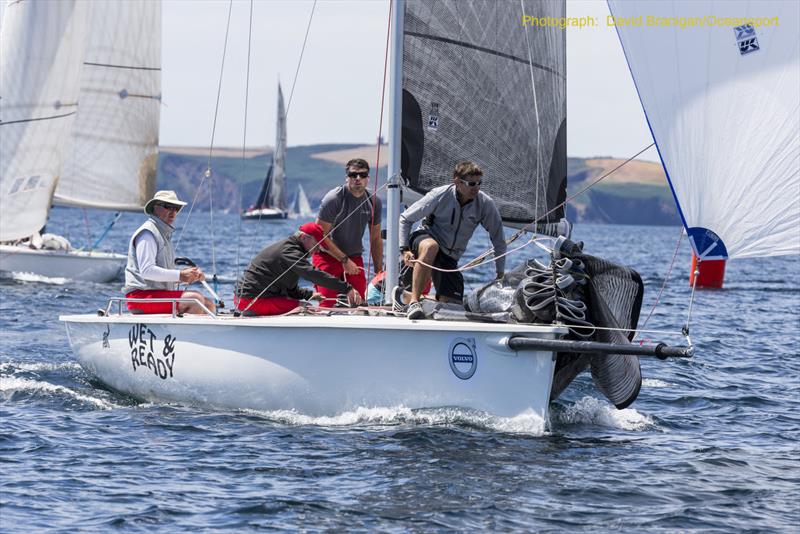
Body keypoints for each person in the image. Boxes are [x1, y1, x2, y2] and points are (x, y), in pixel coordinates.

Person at [395, 161, 507, 319]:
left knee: (452, 306)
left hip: (449, 256)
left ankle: (403, 297)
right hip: (425, 239)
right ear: (457, 182)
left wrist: (500, 273)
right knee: (431, 247)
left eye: (479, 183)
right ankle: (413, 302)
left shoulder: (485, 204)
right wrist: (404, 249)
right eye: (471, 183)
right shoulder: (440, 195)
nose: (476, 188)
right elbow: (405, 219)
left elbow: (498, 239)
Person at [235, 222, 363, 316]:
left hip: (250, 298)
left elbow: (288, 288)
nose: (318, 249)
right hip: (251, 301)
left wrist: (309, 295)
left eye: (321, 246)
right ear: (303, 237)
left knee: (302, 304)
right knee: (305, 308)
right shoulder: (290, 252)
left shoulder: (291, 249)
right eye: (316, 244)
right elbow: (311, 273)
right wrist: (347, 288)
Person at [123, 190, 215, 315]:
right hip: (140, 298)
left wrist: (189, 276)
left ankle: (201, 334)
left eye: (176, 208)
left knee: (208, 304)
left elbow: (161, 277)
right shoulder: (147, 233)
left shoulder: (162, 234)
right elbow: (146, 271)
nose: (173, 212)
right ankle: (186, 334)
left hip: (154, 296)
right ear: (155, 208)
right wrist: (180, 275)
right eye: (168, 207)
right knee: (196, 299)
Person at [313, 158, 383, 307]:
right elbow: (319, 236)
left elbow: (375, 238)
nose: (358, 179)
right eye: (353, 175)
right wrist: (344, 260)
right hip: (327, 256)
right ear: (347, 178)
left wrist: (378, 271)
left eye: (363, 175)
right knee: (327, 303)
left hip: (354, 257)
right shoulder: (334, 198)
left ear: (368, 179)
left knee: (360, 305)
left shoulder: (373, 201)